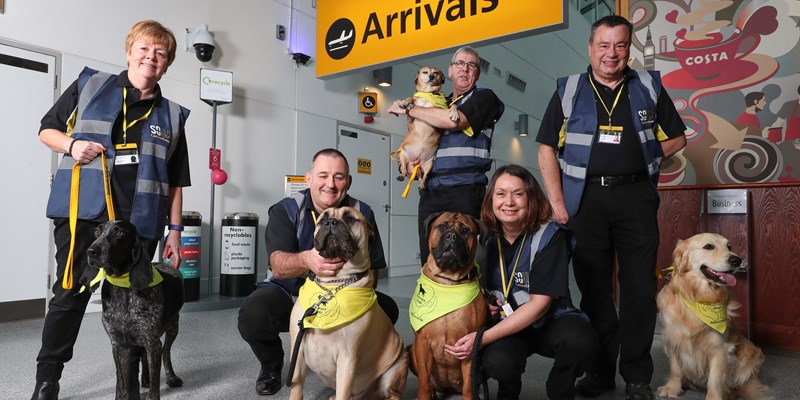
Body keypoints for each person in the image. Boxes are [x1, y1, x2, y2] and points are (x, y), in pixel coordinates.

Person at [32, 20, 191, 400]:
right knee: (69, 297)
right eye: (144, 49)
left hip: (138, 227)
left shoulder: (172, 115)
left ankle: (130, 388)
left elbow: (175, 182)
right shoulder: (91, 85)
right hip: (85, 219)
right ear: (129, 51)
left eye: (161, 53)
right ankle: (47, 380)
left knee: (136, 303)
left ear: (166, 65)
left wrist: (175, 232)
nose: (151, 57)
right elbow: (46, 129)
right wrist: (71, 146)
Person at [536, 15, 687, 400]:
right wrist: (556, 202)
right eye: (603, 45)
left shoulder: (649, 85)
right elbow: (546, 148)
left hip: (635, 198)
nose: (611, 53)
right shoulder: (569, 89)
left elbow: (678, 138)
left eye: (620, 45)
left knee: (638, 290)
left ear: (629, 49)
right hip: (584, 201)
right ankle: (601, 372)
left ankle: (637, 376)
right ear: (590, 48)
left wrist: (645, 155)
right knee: (594, 291)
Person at [237, 148, 400, 396]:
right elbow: (278, 265)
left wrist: (350, 296)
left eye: (339, 177)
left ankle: (345, 365)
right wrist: (307, 260)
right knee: (254, 314)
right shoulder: (286, 210)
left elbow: (374, 269)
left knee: (386, 310)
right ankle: (272, 366)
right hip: (289, 294)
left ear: (348, 181)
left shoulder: (362, 212)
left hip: (344, 291)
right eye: (323, 175)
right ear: (309, 178)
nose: (330, 184)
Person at [444, 165, 598, 400]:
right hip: (507, 324)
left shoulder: (550, 235)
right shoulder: (482, 239)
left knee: (580, 341)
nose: (509, 202)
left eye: (518, 193)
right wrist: (484, 304)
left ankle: (560, 389)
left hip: (549, 322)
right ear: (491, 199)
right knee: (498, 362)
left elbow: (539, 305)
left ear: (531, 198)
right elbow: (468, 286)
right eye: (501, 194)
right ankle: (508, 391)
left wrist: (482, 337)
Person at [388, 46, 504, 264]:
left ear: (477, 73)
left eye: (471, 65)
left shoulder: (485, 98)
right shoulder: (440, 102)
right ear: (449, 72)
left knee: (464, 257)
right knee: (430, 255)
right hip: (432, 190)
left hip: (466, 189)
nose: (465, 69)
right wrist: (412, 165)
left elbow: (455, 120)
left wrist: (409, 108)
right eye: (459, 64)